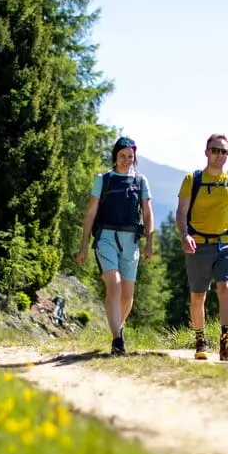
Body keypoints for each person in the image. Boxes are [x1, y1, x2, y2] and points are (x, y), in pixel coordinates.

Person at [76, 137, 154, 355]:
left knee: (127, 296)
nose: (126, 160)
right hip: (106, 238)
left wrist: (149, 241)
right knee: (115, 285)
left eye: (130, 157)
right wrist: (83, 245)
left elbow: (147, 212)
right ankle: (117, 341)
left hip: (131, 240)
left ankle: (117, 327)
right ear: (115, 156)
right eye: (122, 156)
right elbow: (91, 212)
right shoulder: (104, 179)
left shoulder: (140, 181)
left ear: (134, 157)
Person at [175, 133, 228, 361]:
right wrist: (185, 234)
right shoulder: (192, 179)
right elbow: (181, 212)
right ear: (206, 152)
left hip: (226, 245)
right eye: (215, 150)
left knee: (226, 288)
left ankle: (226, 337)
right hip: (198, 246)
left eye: (224, 151)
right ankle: (200, 339)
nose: (219, 155)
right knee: (198, 297)